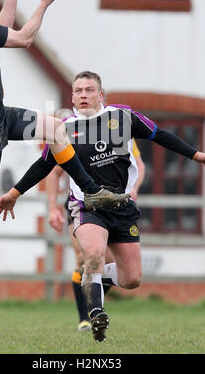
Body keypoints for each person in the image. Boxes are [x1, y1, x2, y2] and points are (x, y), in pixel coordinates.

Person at [0, 0, 129, 310]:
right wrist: (42, 4)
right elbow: (23, 38)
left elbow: (2, 29)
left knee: (55, 128)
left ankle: (91, 192)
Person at [0, 70, 205, 342]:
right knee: (93, 256)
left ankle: (101, 280)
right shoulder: (62, 129)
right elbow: (45, 165)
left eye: (89, 90)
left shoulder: (123, 117)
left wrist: (195, 154)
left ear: (100, 95)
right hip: (87, 206)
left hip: (122, 207)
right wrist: (14, 193)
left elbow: (159, 135)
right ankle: (95, 315)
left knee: (132, 278)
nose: (83, 95)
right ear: (73, 97)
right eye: (78, 91)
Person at [46, 138, 145, 332]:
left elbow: (139, 165)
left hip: (116, 203)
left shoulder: (122, 129)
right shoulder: (75, 133)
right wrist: (52, 208)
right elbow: (53, 172)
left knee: (107, 263)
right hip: (83, 204)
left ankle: (94, 295)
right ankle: (86, 317)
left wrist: (134, 187)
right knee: (84, 257)